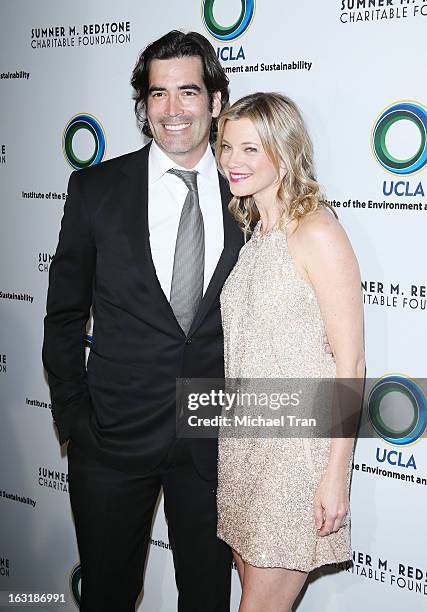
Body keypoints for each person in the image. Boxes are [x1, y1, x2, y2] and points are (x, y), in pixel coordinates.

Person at [42, 30, 245, 612]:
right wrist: (74, 419)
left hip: (213, 441)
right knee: (106, 594)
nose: (173, 110)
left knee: (206, 598)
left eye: (188, 92)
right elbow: (63, 316)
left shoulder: (251, 196)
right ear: (144, 105)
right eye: (158, 95)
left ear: (216, 101)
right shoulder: (95, 189)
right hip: (110, 439)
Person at [215, 92, 365, 612]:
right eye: (227, 146)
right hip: (243, 447)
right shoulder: (255, 236)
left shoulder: (318, 231)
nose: (233, 161)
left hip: (295, 455)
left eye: (251, 149)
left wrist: (334, 475)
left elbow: (351, 366)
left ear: (285, 151)